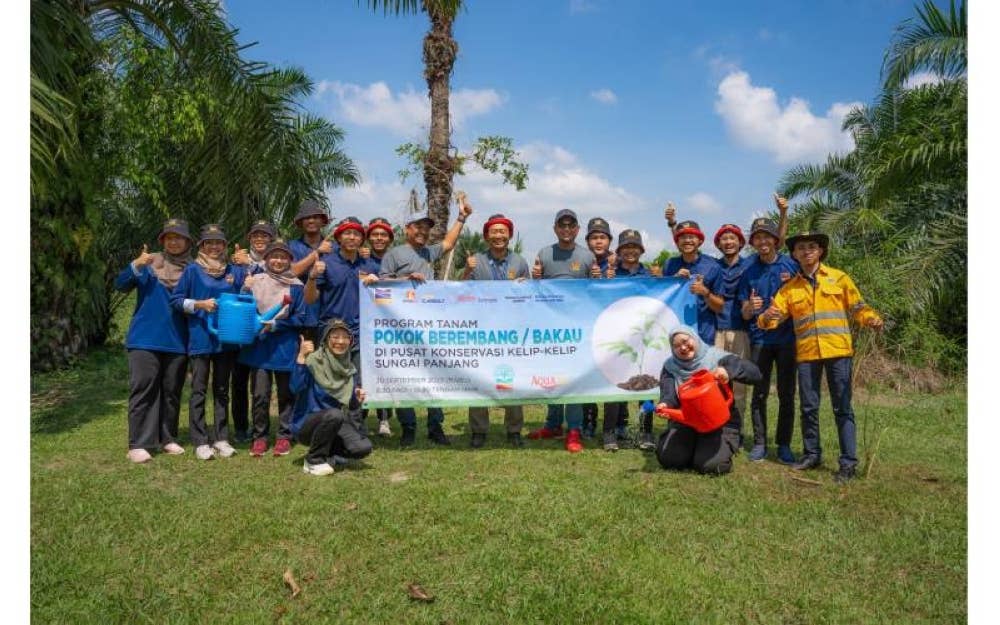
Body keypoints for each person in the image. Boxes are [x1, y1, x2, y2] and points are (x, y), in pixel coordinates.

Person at [758, 232, 883, 483]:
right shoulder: (790, 288)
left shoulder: (839, 278)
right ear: (794, 255)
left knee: (843, 408)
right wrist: (768, 315)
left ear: (821, 251)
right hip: (807, 354)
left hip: (838, 351)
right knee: (808, 407)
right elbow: (769, 321)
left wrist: (871, 319)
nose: (806, 251)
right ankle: (811, 454)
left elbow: (858, 307)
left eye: (812, 247)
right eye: (801, 248)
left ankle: (848, 462)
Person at [374, 202, 473, 446]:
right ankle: (408, 428)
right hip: (402, 329)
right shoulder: (394, 254)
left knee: (435, 376)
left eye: (426, 227)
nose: (422, 231)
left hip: (430, 326)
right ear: (407, 229)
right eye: (418, 226)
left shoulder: (429, 252)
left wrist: (461, 217)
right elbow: (381, 288)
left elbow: (448, 243)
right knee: (406, 376)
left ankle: (435, 426)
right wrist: (405, 279)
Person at [114, 218, 193, 463]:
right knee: (144, 389)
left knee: (171, 391)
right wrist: (136, 265)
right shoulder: (149, 264)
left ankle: (167, 437)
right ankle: (139, 442)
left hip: (178, 341)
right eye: (169, 237)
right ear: (163, 241)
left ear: (187, 242)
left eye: (179, 237)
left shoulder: (193, 269)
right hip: (145, 340)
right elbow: (120, 285)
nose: (174, 241)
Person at [170, 224, 246, 460]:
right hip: (201, 338)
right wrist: (200, 305)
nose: (214, 247)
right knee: (199, 390)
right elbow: (176, 300)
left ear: (224, 246)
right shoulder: (193, 271)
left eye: (218, 243)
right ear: (201, 246)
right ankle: (200, 440)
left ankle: (221, 437)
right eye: (209, 243)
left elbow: (247, 292)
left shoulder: (233, 270)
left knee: (222, 390)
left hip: (226, 340)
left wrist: (246, 279)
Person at [526, 209, 596, 453]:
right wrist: (535, 279)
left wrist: (598, 279)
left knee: (573, 379)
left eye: (571, 225)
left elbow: (595, 295)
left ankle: (574, 430)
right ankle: (553, 424)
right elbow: (536, 293)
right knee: (552, 377)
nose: (566, 229)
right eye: (562, 225)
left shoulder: (587, 257)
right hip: (550, 328)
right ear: (555, 228)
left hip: (578, 330)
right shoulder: (544, 254)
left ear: (577, 229)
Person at [461, 212, 530, 449]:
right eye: (494, 231)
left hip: (511, 333)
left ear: (509, 235)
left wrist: (525, 287)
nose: (498, 235)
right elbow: (460, 292)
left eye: (503, 231)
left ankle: (514, 430)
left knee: (510, 379)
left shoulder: (519, 262)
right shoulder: (476, 260)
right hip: (481, 331)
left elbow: (529, 296)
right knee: (480, 380)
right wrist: (467, 271)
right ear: (486, 236)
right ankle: (479, 431)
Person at [306, 217, 380, 439]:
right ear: (338, 237)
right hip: (331, 334)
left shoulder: (368, 265)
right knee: (329, 384)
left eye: (357, 233)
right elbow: (310, 299)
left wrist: (379, 282)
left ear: (362, 239)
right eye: (347, 233)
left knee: (357, 385)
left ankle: (355, 431)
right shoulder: (326, 263)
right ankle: (326, 430)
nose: (352, 237)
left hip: (359, 334)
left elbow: (389, 290)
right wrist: (311, 277)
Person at [655, 326, 761, 475]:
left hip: (720, 423)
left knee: (711, 466)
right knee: (669, 459)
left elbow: (755, 374)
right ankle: (693, 445)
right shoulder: (670, 366)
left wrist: (728, 371)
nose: (683, 348)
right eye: (677, 346)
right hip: (687, 422)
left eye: (685, 341)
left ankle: (720, 444)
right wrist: (665, 404)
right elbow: (669, 393)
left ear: (695, 338)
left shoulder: (717, 358)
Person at [238, 239, 310, 457]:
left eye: (283, 257)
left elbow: (300, 318)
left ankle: (284, 436)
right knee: (260, 394)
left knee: (286, 394)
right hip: (259, 346)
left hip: (284, 346)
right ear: (266, 259)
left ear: (289, 260)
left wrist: (277, 324)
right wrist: (244, 288)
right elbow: (241, 309)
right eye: (274, 256)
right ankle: (259, 437)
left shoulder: (296, 286)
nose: (278, 261)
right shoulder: (254, 280)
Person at [738, 216, 800, 464]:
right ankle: (760, 443)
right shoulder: (748, 270)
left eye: (767, 236)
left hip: (787, 339)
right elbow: (743, 311)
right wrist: (750, 308)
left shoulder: (791, 265)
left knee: (787, 393)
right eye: (758, 237)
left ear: (776, 240)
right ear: (753, 242)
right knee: (759, 393)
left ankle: (783, 445)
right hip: (760, 340)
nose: (763, 241)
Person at [290, 319, 373, 476]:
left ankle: (329, 454)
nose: (340, 341)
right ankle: (313, 460)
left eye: (345, 337)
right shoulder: (314, 361)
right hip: (306, 424)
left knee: (363, 447)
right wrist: (301, 358)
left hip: (334, 422)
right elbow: (295, 387)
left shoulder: (348, 369)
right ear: (326, 340)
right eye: (335, 336)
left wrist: (356, 398)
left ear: (350, 341)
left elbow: (352, 406)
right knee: (334, 414)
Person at [230, 220, 277, 443]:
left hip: (265, 331)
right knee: (238, 382)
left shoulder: (277, 262)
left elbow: (275, 278)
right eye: (255, 235)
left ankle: (260, 428)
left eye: (265, 236)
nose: (260, 239)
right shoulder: (238, 262)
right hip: (240, 329)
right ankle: (240, 428)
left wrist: (252, 264)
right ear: (249, 239)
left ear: (271, 239)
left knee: (259, 386)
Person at [663, 219, 724, 345]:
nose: (687, 240)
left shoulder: (713, 266)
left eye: (691, 237)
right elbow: (663, 298)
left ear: (700, 241)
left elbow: (720, 307)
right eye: (683, 237)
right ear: (677, 242)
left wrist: (705, 292)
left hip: (704, 334)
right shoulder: (670, 264)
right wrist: (674, 280)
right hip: (675, 331)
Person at [581, 217, 616, 438]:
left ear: (609, 240)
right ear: (588, 241)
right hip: (587, 327)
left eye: (602, 237)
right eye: (594, 238)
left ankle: (615, 424)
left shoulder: (619, 262)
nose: (598, 242)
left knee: (613, 374)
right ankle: (589, 420)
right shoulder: (582, 261)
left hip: (612, 329)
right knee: (588, 375)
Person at [364, 216, 396, 437]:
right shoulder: (361, 259)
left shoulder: (396, 258)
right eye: (374, 234)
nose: (379, 238)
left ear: (390, 238)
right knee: (365, 373)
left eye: (383, 234)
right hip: (366, 323)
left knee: (387, 371)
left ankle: (385, 419)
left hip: (391, 323)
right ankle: (361, 419)